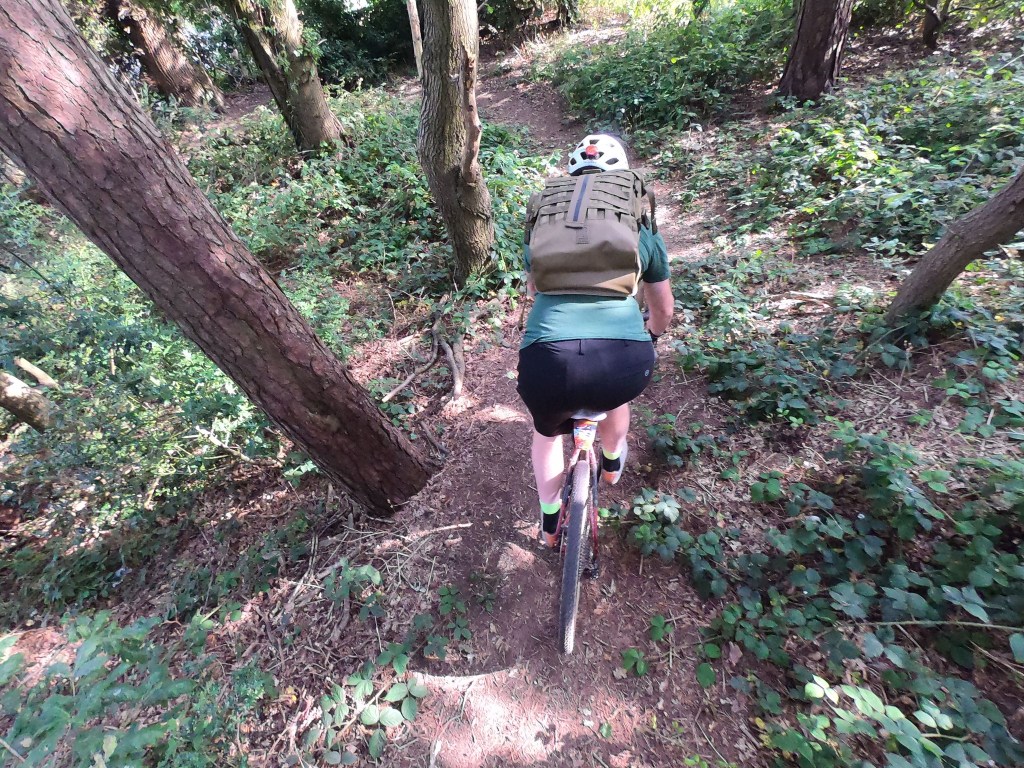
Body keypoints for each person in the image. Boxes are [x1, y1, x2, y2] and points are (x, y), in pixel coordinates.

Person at [517, 134, 675, 548]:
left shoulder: (544, 228)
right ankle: (611, 463)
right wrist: (652, 335)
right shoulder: (642, 232)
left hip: (547, 361)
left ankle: (549, 521)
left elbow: (534, 288)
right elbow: (663, 309)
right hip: (622, 361)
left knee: (546, 433)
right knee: (614, 396)